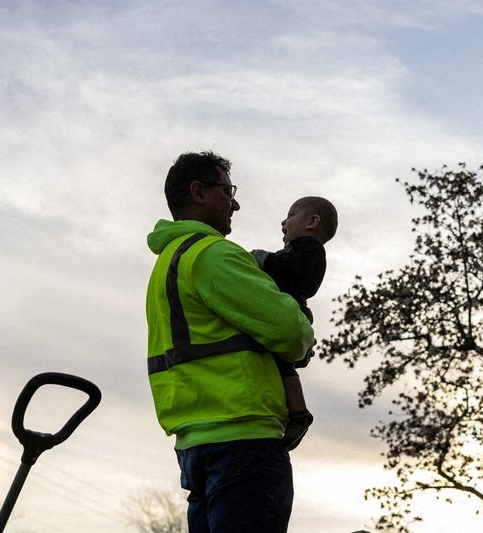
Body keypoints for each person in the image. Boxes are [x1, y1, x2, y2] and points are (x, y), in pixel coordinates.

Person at [145, 151, 314, 533]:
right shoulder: (214, 256)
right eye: (227, 190)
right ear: (198, 192)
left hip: (196, 446)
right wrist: (301, 320)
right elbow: (292, 334)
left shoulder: (168, 263)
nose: (235, 202)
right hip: (244, 442)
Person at [251, 196, 338, 451]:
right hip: (285, 313)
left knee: (283, 366)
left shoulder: (309, 248)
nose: (283, 221)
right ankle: (294, 410)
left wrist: (264, 259)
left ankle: (299, 412)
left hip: (295, 312)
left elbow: (304, 278)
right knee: (281, 367)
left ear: (312, 222)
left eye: (290, 215)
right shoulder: (294, 250)